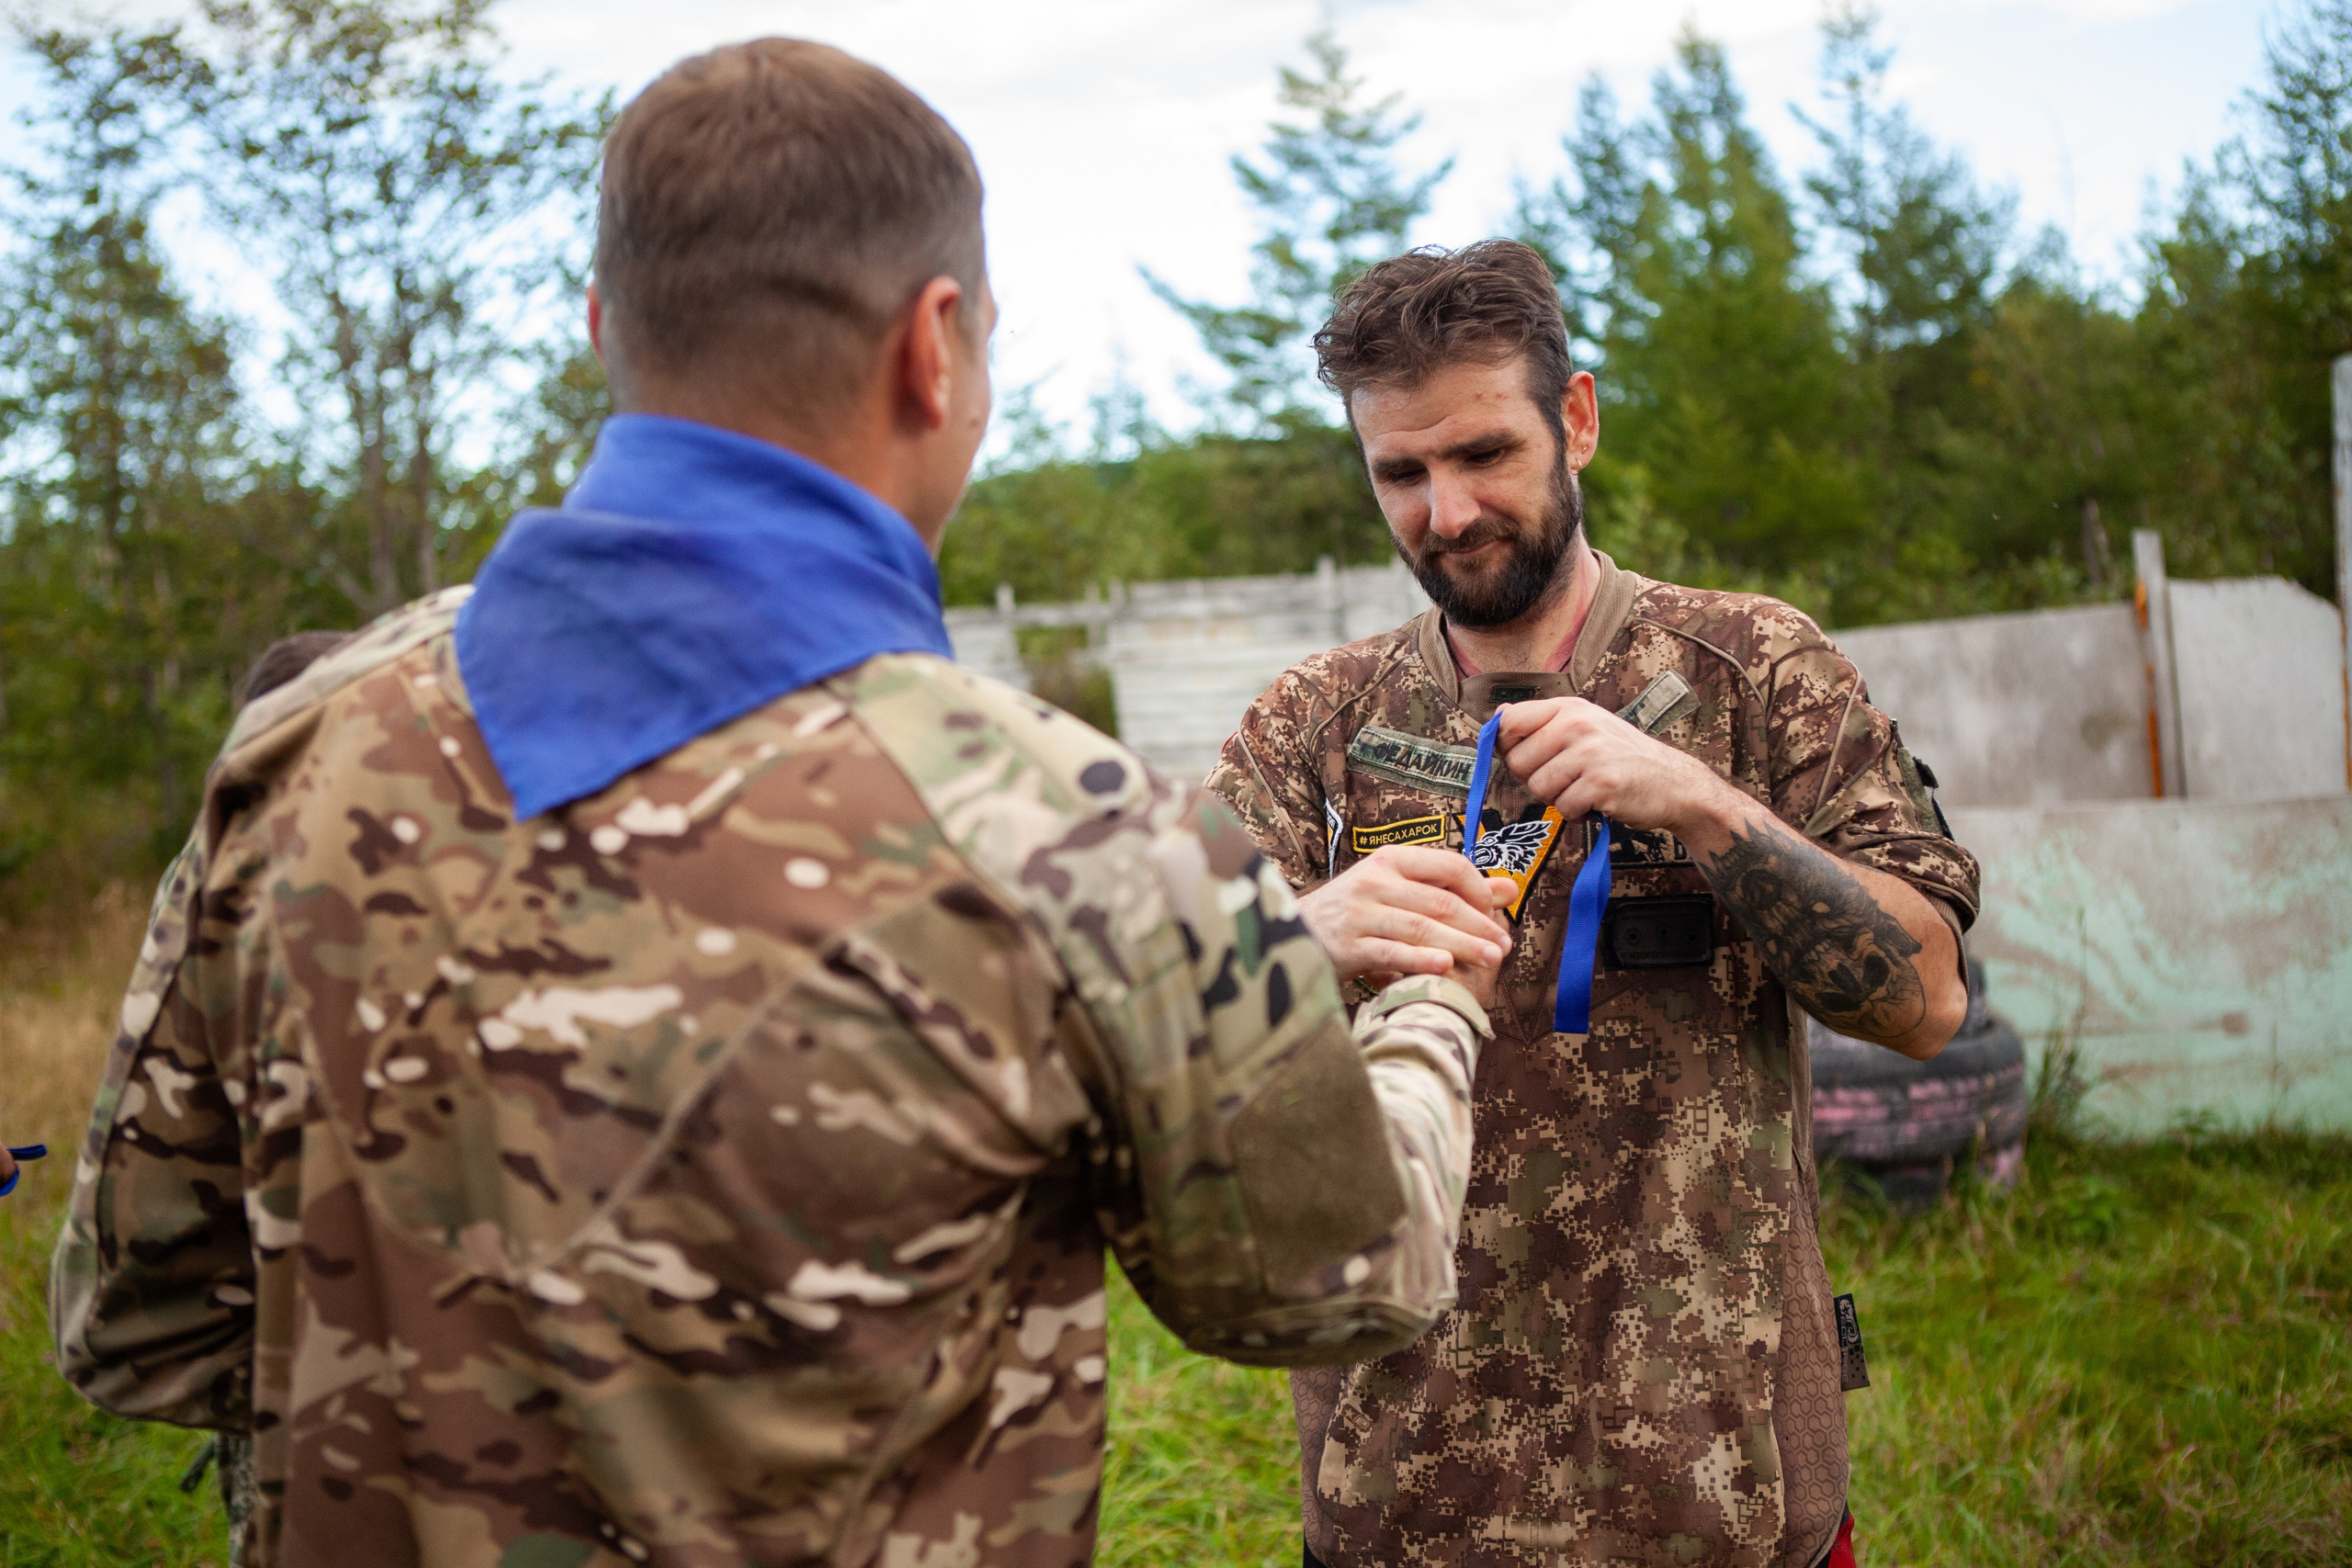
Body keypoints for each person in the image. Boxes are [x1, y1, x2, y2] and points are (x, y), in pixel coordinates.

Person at [49, 41, 1521, 1568]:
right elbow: (1345, 1280)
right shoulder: (1078, 833)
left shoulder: (300, 746)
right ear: (934, 349)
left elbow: (136, 1327)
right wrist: (1432, 995)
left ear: (608, 327)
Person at [1204, 240, 1982, 1568]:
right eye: (1401, 473)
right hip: (1403, 1492)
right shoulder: (1313, 724)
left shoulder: (1753, 672)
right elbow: (1142, 1031)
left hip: (1724, 1484)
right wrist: (1302, 936)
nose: (1447, 513)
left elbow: (1925, 1005)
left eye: (1484, 453)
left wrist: (1705, 806)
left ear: (1575, 420)